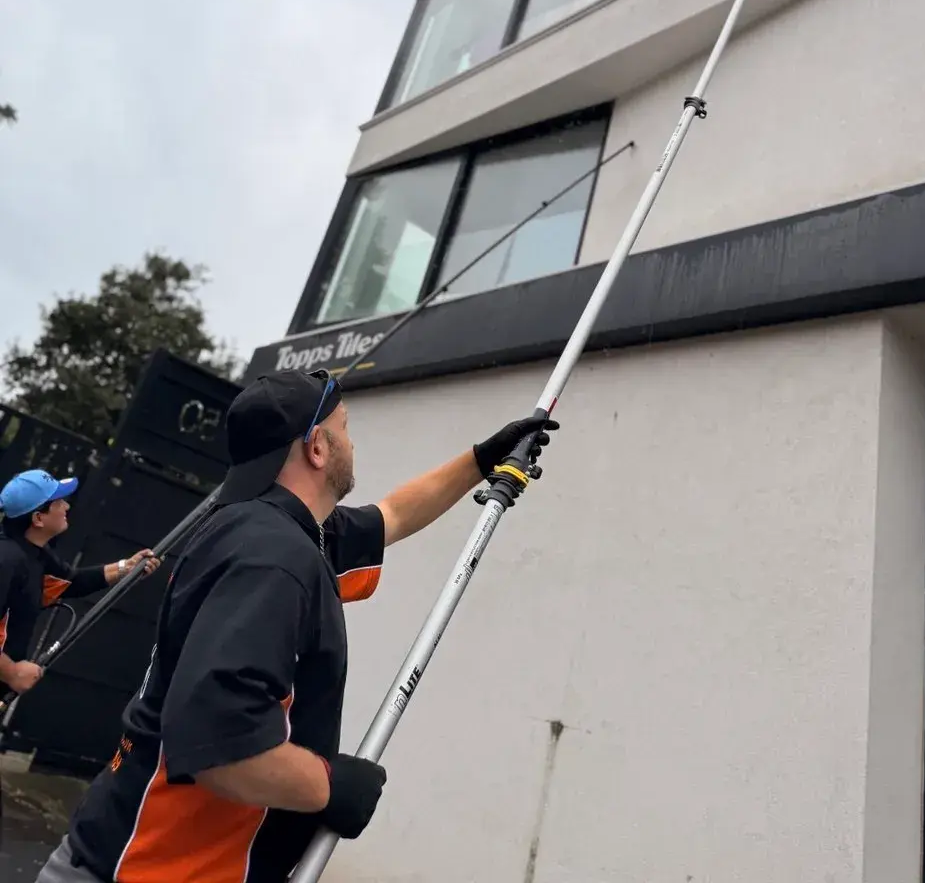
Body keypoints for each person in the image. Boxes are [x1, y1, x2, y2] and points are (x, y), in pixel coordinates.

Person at [34, 368, 558, 883]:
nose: (352, 443)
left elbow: (392, 515)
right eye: (345, 428)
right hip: (146, 868)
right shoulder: (272, 558)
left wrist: (481, 460)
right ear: (317, 448)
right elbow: (223, 747)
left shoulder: (277, 529)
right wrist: (331, 787)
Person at [0, 468, 160, 696]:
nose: (67, 506)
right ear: (38, 518)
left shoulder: (33, 553)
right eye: (59, 502)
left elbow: (70, 581)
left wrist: (126, 568)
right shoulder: (6, 560)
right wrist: (12, 672)